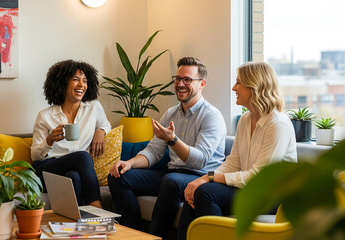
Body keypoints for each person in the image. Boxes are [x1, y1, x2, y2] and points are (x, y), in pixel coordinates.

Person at [177, 62, 298, 240]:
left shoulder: (277, 124)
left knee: (205, 192)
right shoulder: (245, 119)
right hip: (250, 190)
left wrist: (207, 177)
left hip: (273, 196)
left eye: (239, 83)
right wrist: (202, 180)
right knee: (195, 193)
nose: (234, 88)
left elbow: (259, 177)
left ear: (255, 86)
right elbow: (233, 162)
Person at [108, 57, 226, 238]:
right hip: (171, 174)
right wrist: (129, 163)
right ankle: (135, 233)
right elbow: (154, 151)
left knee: (172, 181)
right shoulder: (170, 113)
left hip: (200, 177)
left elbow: (199, 160)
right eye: (177, 79)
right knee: (118, 177)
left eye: (187, 80)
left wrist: (173, 140)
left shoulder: (212, 116)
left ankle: (157, 236)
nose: (180, 84)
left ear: (202, 84)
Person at [31, 60, 111, 208]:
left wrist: (101, 131)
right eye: (76, 79)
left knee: (73, 177)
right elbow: (35, 156)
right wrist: (49, 140)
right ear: (62, 83)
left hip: (74, 170)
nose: (82, 84)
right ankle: (97, 207)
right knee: (83, 156)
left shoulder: (94, 107)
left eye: (85, 81)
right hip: (47, 169)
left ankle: (77, 222)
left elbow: (106, 124)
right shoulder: (45, 116)